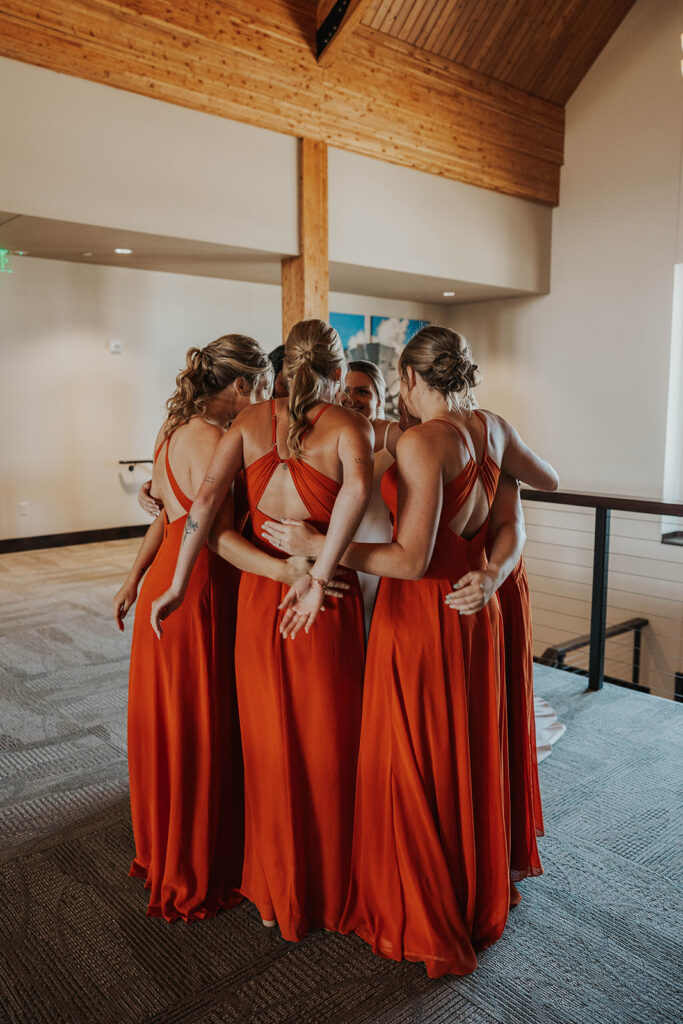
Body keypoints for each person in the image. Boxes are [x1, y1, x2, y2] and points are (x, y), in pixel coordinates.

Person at [268, 325, 555, 976]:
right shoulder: (492, 429)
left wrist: (320, 550)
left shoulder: (426, 443)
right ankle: (470, 889)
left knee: (409, 759)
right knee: (462, 749)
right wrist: (494, 570)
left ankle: (424, 905)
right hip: (471, 612)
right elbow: (545, 484)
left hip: (421, 617)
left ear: (409, 380)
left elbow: (408, 559)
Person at [150, 319, 373, 940]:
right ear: (336, 370)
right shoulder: (348, 426)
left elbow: (201, 509)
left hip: (259, 599)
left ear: (278, 370)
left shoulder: (248, 426)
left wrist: (174, 583)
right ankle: (325, 892)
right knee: (327, 746)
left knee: (267, 742)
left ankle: (275, 893)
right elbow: (354, 498)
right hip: (321, 601)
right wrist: (316, 572)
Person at [112, 334, 277, 921]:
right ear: (238, 387)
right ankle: (196, 862)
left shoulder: (171, 432)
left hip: (163, 582)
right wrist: (290, 567)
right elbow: (215, 536)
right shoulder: (220, 440)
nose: (260, 400)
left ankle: (165, 847)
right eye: (257, 388)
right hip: (201, 590)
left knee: (170, 723)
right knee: (202, 723)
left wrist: (135, 577)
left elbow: (168, 519)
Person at [340, 360, 400, 633]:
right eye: (345, 390)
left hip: (381, 552)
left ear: (378, 399)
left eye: (362, 392)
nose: (351, 399)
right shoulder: (330, 437)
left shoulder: (395, 440)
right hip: (339, 550)